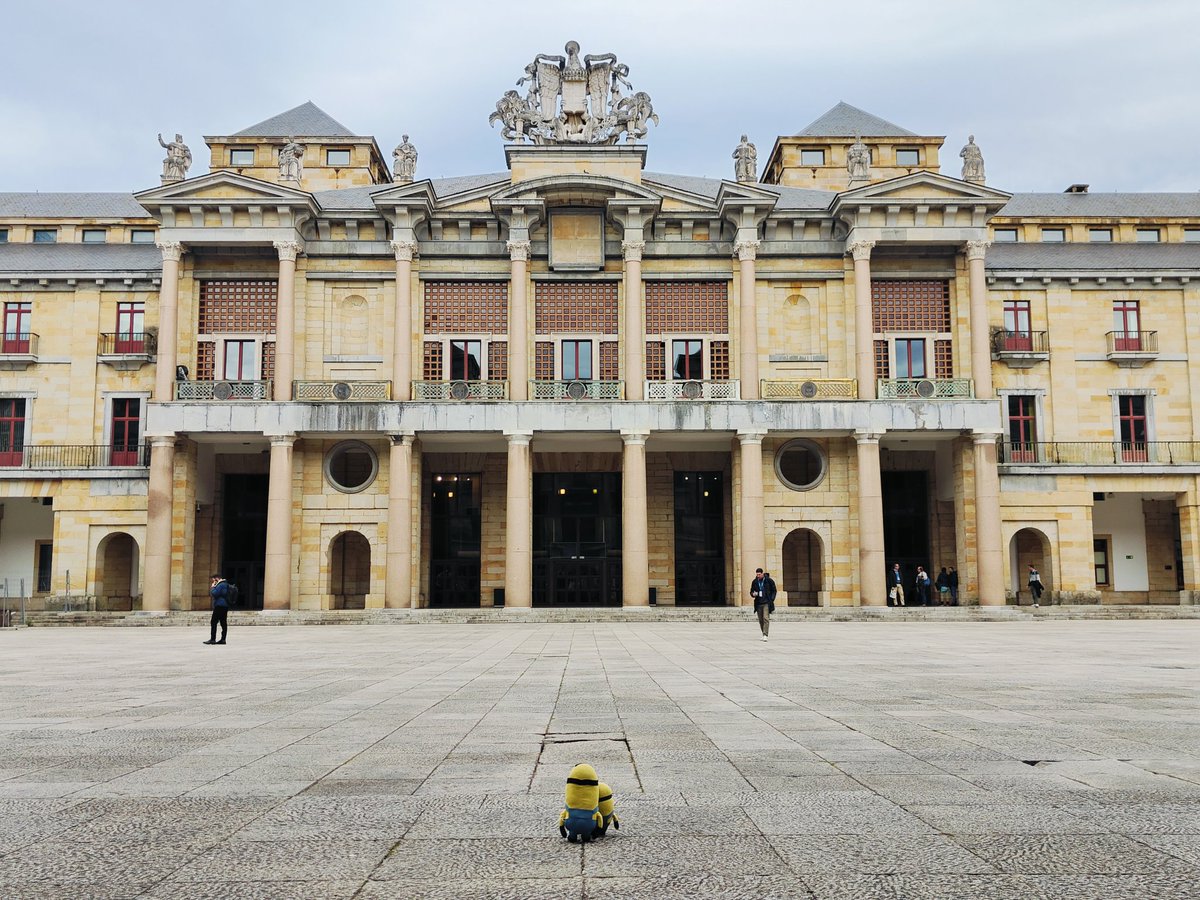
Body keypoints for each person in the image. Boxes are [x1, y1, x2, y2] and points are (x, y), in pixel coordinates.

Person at [750, 567, 774, 641]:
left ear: (762, 574)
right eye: (757, 574)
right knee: (761, 620)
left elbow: (774, 590)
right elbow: (751, 591)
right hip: (758, 603)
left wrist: (771, 599)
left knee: (766, 618)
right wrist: (753, 594)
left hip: (766, 602)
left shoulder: (769, 581)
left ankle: (765, 634)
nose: (758, 576)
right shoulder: (754, 582)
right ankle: (763, 633)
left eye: (759, 574)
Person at [205, 574, 230, 645]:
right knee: (223, 622)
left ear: (216, 579)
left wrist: (213, 587)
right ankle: (223, 639)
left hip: (219, 605)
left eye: (213, 580)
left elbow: (215, 593)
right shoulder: (225, 584)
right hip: (225, 605)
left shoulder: (220, 585)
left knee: (213, 622)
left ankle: (213, 639)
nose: (213, 582)